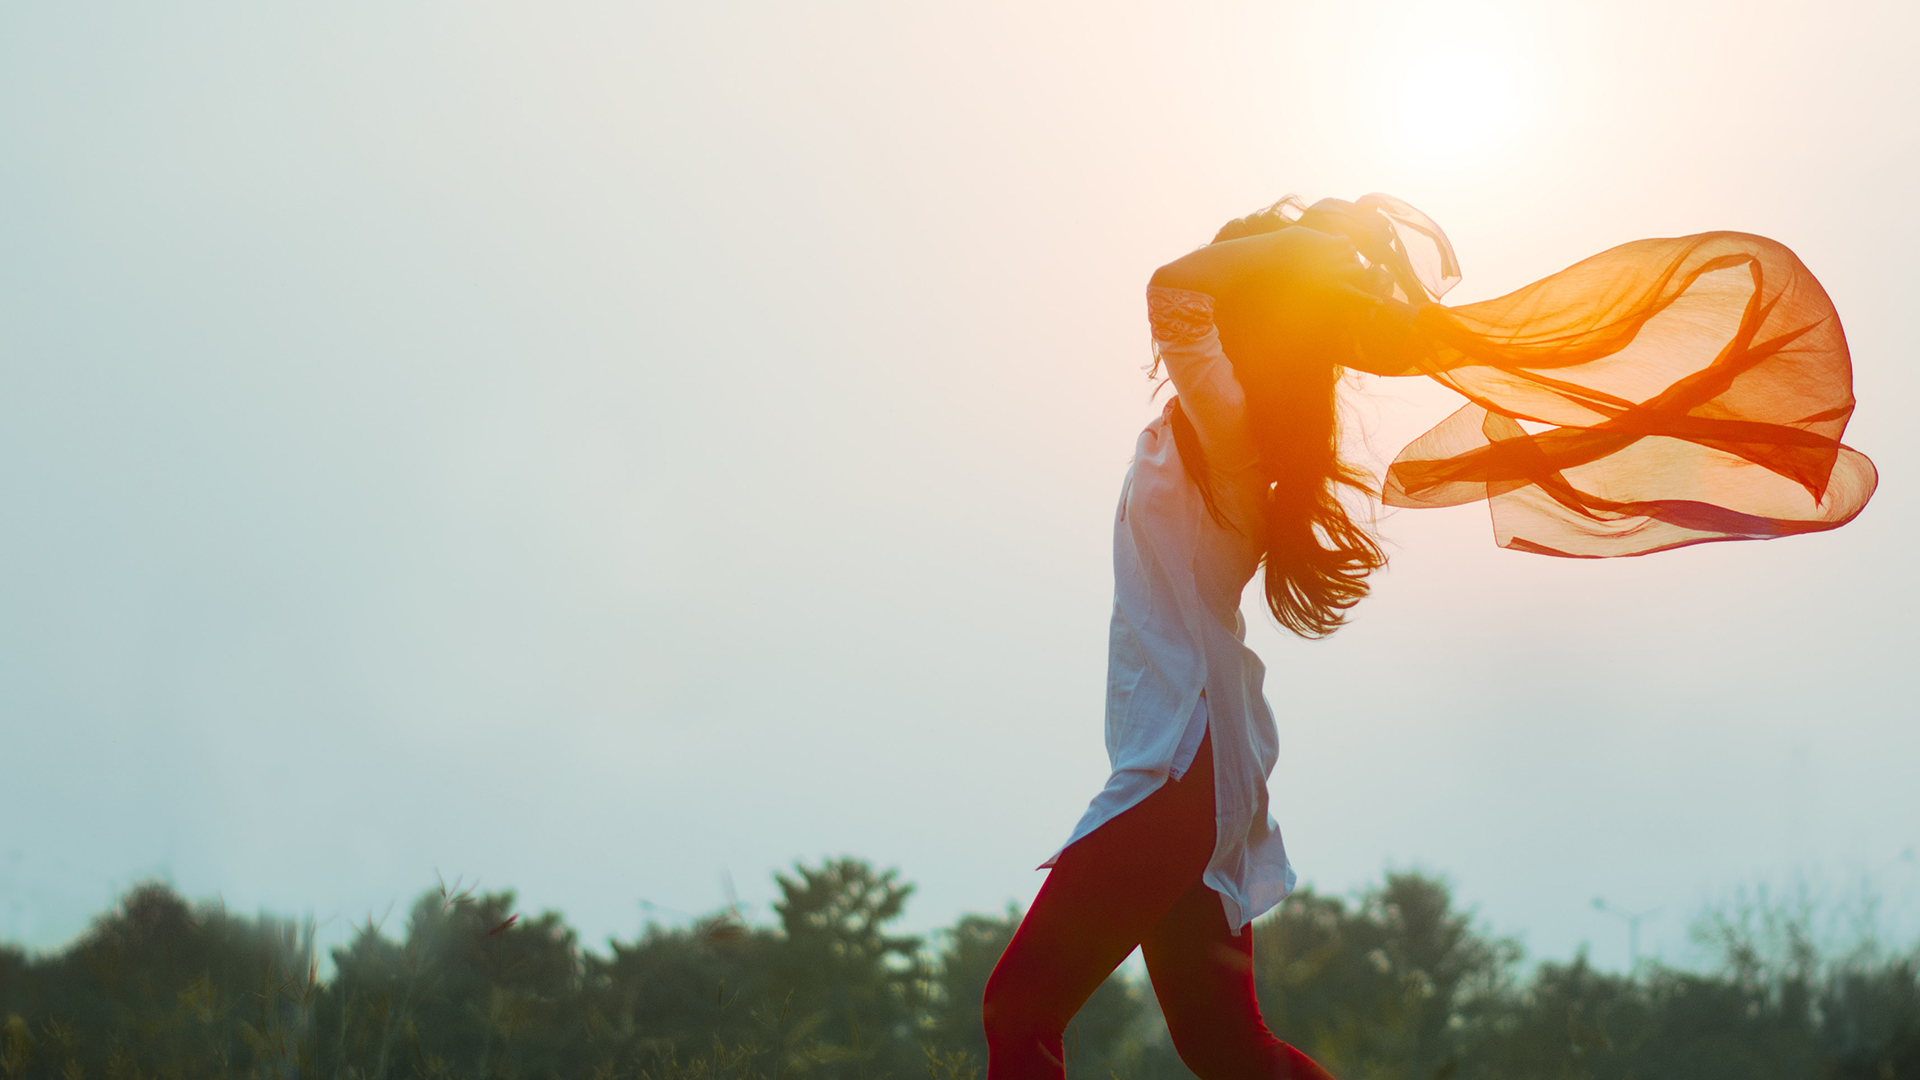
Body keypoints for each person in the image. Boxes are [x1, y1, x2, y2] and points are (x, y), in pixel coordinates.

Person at [979, 195, 1876, 1080]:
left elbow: (1174, 289)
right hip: (1194, 763)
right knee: (1224, 1048)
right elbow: (1193, 294)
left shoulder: (1232, 421)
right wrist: (1301, 254)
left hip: (1181, 764)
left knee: (1021, 1011)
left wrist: (1296, 249)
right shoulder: (1234, 424)